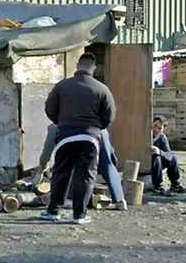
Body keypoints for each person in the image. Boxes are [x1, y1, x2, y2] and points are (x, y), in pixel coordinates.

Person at [41, 52, 126, 224]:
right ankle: (79, 215)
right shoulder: (102, 89)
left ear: (78, 65)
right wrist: (95, 127)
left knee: (61, 172)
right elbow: (109, 116)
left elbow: (50, 109)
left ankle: (53, 210)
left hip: (66, 135)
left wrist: (63, 122)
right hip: (90, 137)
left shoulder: (62, 86)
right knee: (86, 174)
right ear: (94, 68)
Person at [150, 116, 186, 195]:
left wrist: (159, 152)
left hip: (158, 163)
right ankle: (157, 186)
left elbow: (168, 154)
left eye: (159, 128)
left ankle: (175, 184)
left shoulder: (162, 138)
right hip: (146, 161)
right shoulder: (146, 135)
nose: (156, 130)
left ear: (164, 129)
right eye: (155, 126)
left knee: (172, 157)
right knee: (156, 157)